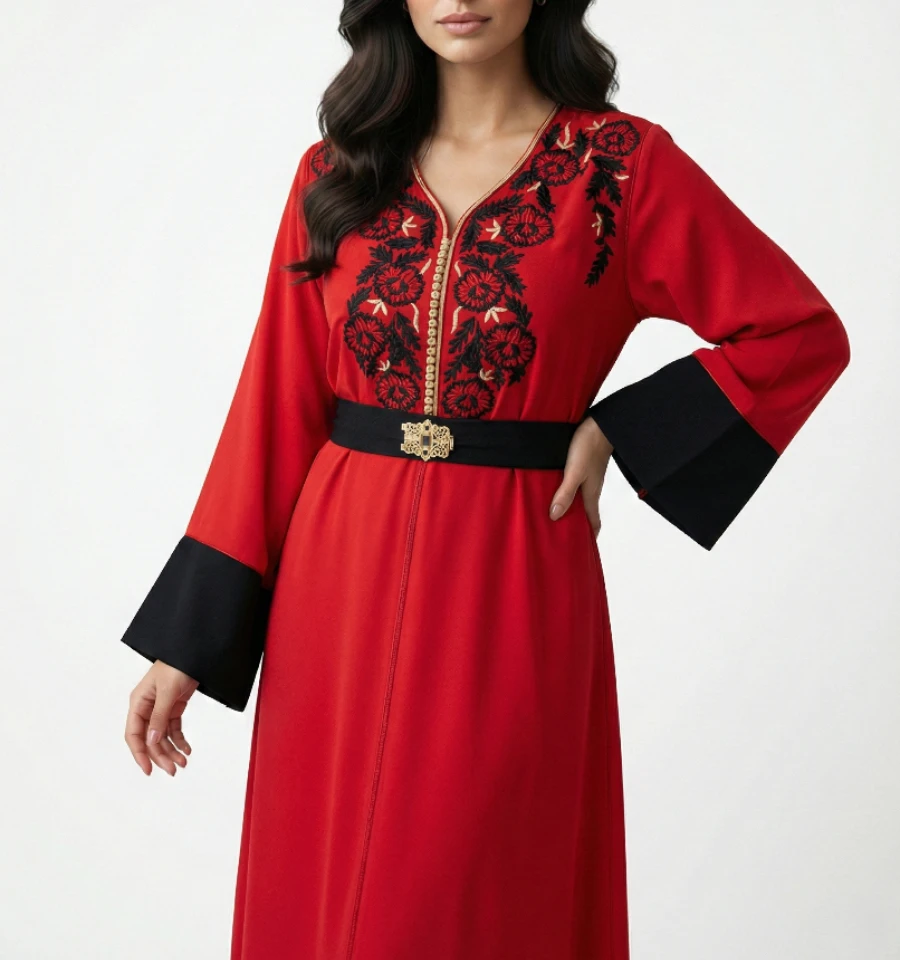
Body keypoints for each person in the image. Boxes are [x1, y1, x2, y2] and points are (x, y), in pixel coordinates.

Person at [119, 2, 851, 957]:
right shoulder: (338, 171)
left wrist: (621, 429)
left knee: (473, 890)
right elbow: (274, 407)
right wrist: (188, 641)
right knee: (328, 891)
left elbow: (795, 331)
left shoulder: (620, 169)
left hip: (511, 578)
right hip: (335, 585)